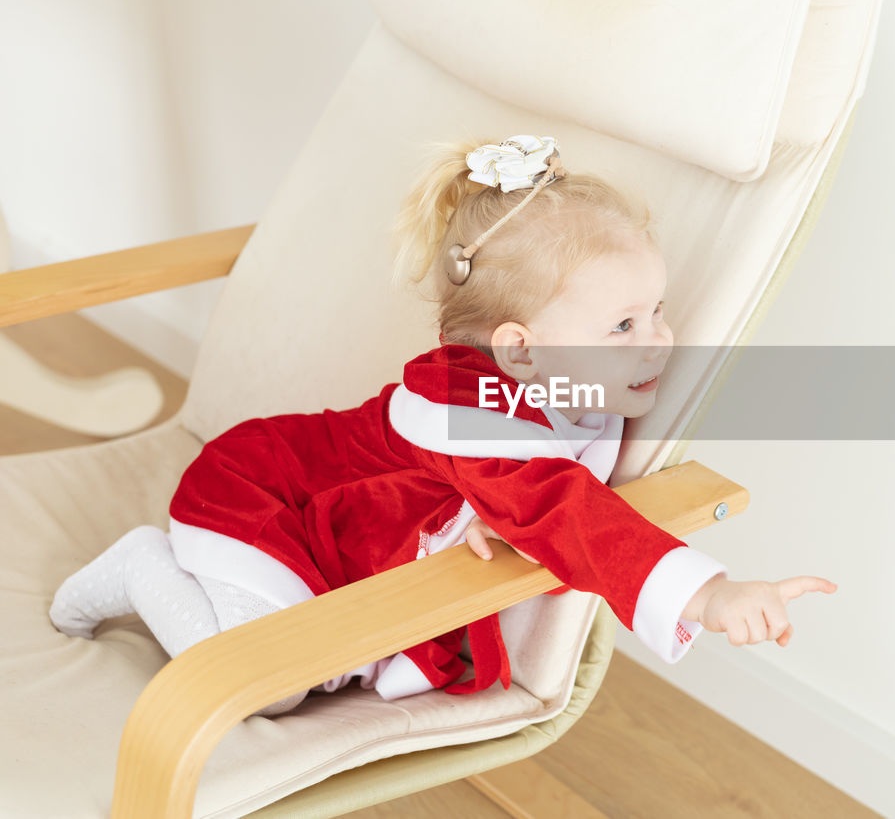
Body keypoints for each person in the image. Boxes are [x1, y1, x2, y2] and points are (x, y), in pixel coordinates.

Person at [48, 134, 836, 715]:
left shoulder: (550, 389)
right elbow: (561, 506)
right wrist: (711, 595)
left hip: (310, 496)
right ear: (519, 352)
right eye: (623, 326)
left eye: (657, 310)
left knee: (295, 664)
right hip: (262, 499)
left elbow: (531, 491)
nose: (660, 338)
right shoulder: (474, 419)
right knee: (271, 685)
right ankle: (142, 567)